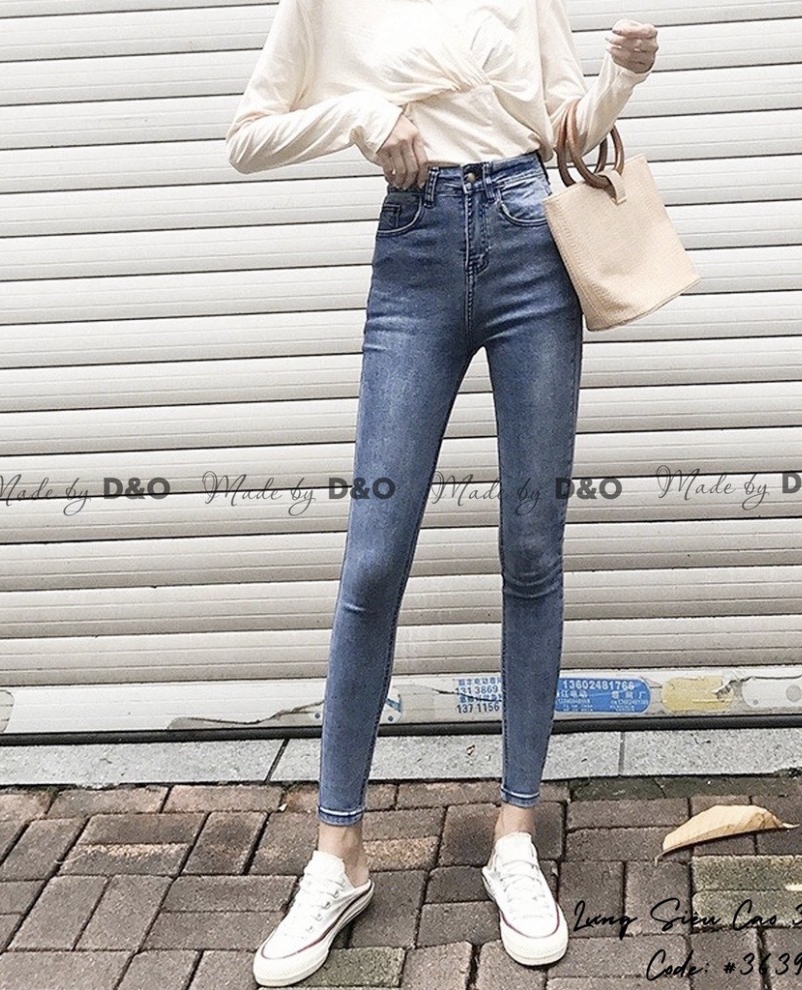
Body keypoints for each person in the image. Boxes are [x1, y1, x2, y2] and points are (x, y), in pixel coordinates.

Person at [225, 2, 657, 985]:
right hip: (415, 250)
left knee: (532, 551)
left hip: (532, 247)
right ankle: (337, 854)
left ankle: (515, 833)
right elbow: (247, 138)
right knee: (373, 561)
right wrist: (361, 116)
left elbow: (564, 129)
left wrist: (622, 78)